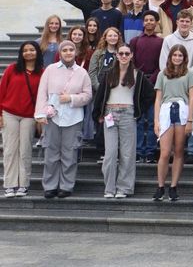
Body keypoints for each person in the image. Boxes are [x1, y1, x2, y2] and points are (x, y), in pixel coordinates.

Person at [34, 41, 92, 198]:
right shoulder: (50, 70)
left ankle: (66, 186)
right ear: (60, 53)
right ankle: (50, 186)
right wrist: (40, 114)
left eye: (71, 50)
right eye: (64, 50)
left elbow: (87, 95)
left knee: (70, 153)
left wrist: (71, 98)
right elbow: (42, 93)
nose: (68, 53)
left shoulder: (82, 72)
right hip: (52, 118)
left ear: (75, 52)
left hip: (73, 118)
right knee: (51, 153)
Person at [92, 46, 150, 199]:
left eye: (127, 53)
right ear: (116, 55)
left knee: (127, 153)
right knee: (110, 154)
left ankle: (123, 188)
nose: (124, 56)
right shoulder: (108, 74)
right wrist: (98, 113)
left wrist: (139, 111)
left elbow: (150, 95)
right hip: (110, 114)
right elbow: (100, 95)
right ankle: (109, 188)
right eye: (121, 53)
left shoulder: (138, 75)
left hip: (128, 115)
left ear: (131, 55)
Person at [153, 45, 193, 202]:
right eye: (175, 55)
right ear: (170, 56)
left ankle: (173, 186)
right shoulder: (162, 73)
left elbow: (192, 97)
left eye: (180, 55)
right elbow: (158, 98)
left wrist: (190, 120)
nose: (177, 58)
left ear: (184, 57)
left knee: (179, 151)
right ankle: (160, 186)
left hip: (182, 111)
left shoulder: (190, 73)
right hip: (166, 111)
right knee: (165, 152)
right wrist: (156, 120)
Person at [1, 42, 44, 197]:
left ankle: (23, 184)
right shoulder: (12, 69)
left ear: (37, 52)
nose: (28, 53)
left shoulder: (42, 72)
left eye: (32, 50)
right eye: (25, 50)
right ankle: (10, 184)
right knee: (10, 150)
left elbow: (43, 96)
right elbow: (2, 91)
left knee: (25, 150)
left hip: (29, 116)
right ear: (21, 53)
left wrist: (40, 117)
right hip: (9, 113)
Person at [129, 10, 164, 163]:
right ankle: (137, 151)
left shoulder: (161, 42)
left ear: (156, 23)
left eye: (152, 20)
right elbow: (131, 62)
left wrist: (153, 79)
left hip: (155, 83)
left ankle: (150, 152)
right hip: (138, 84)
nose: (149, 22)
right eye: (146, 20)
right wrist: (140, 77)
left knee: (151, 120)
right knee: (137, 119)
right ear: (143, 23)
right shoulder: (135, 41)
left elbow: (161, 64)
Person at [159, 8, 193, 72]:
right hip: (171, 77)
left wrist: (187, 75)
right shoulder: (168, 40)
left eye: (187, 21)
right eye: (182, 21)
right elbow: (163, 62)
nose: (184, 24)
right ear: (177, 22)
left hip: (189, 77)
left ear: (191, 23)